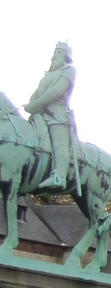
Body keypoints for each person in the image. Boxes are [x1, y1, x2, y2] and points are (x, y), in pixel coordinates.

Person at [23, 42, 77, 191]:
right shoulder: (48, 74)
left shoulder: (69, 70)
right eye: (55, 52)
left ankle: (59, 176)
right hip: (38, 114)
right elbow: (38, 91)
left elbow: (57, 91)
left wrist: (36, 103)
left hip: (57, 114)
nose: (54, 56)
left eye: (59, 53)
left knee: (59, 143)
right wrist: (31, 102)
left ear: (65, 57)